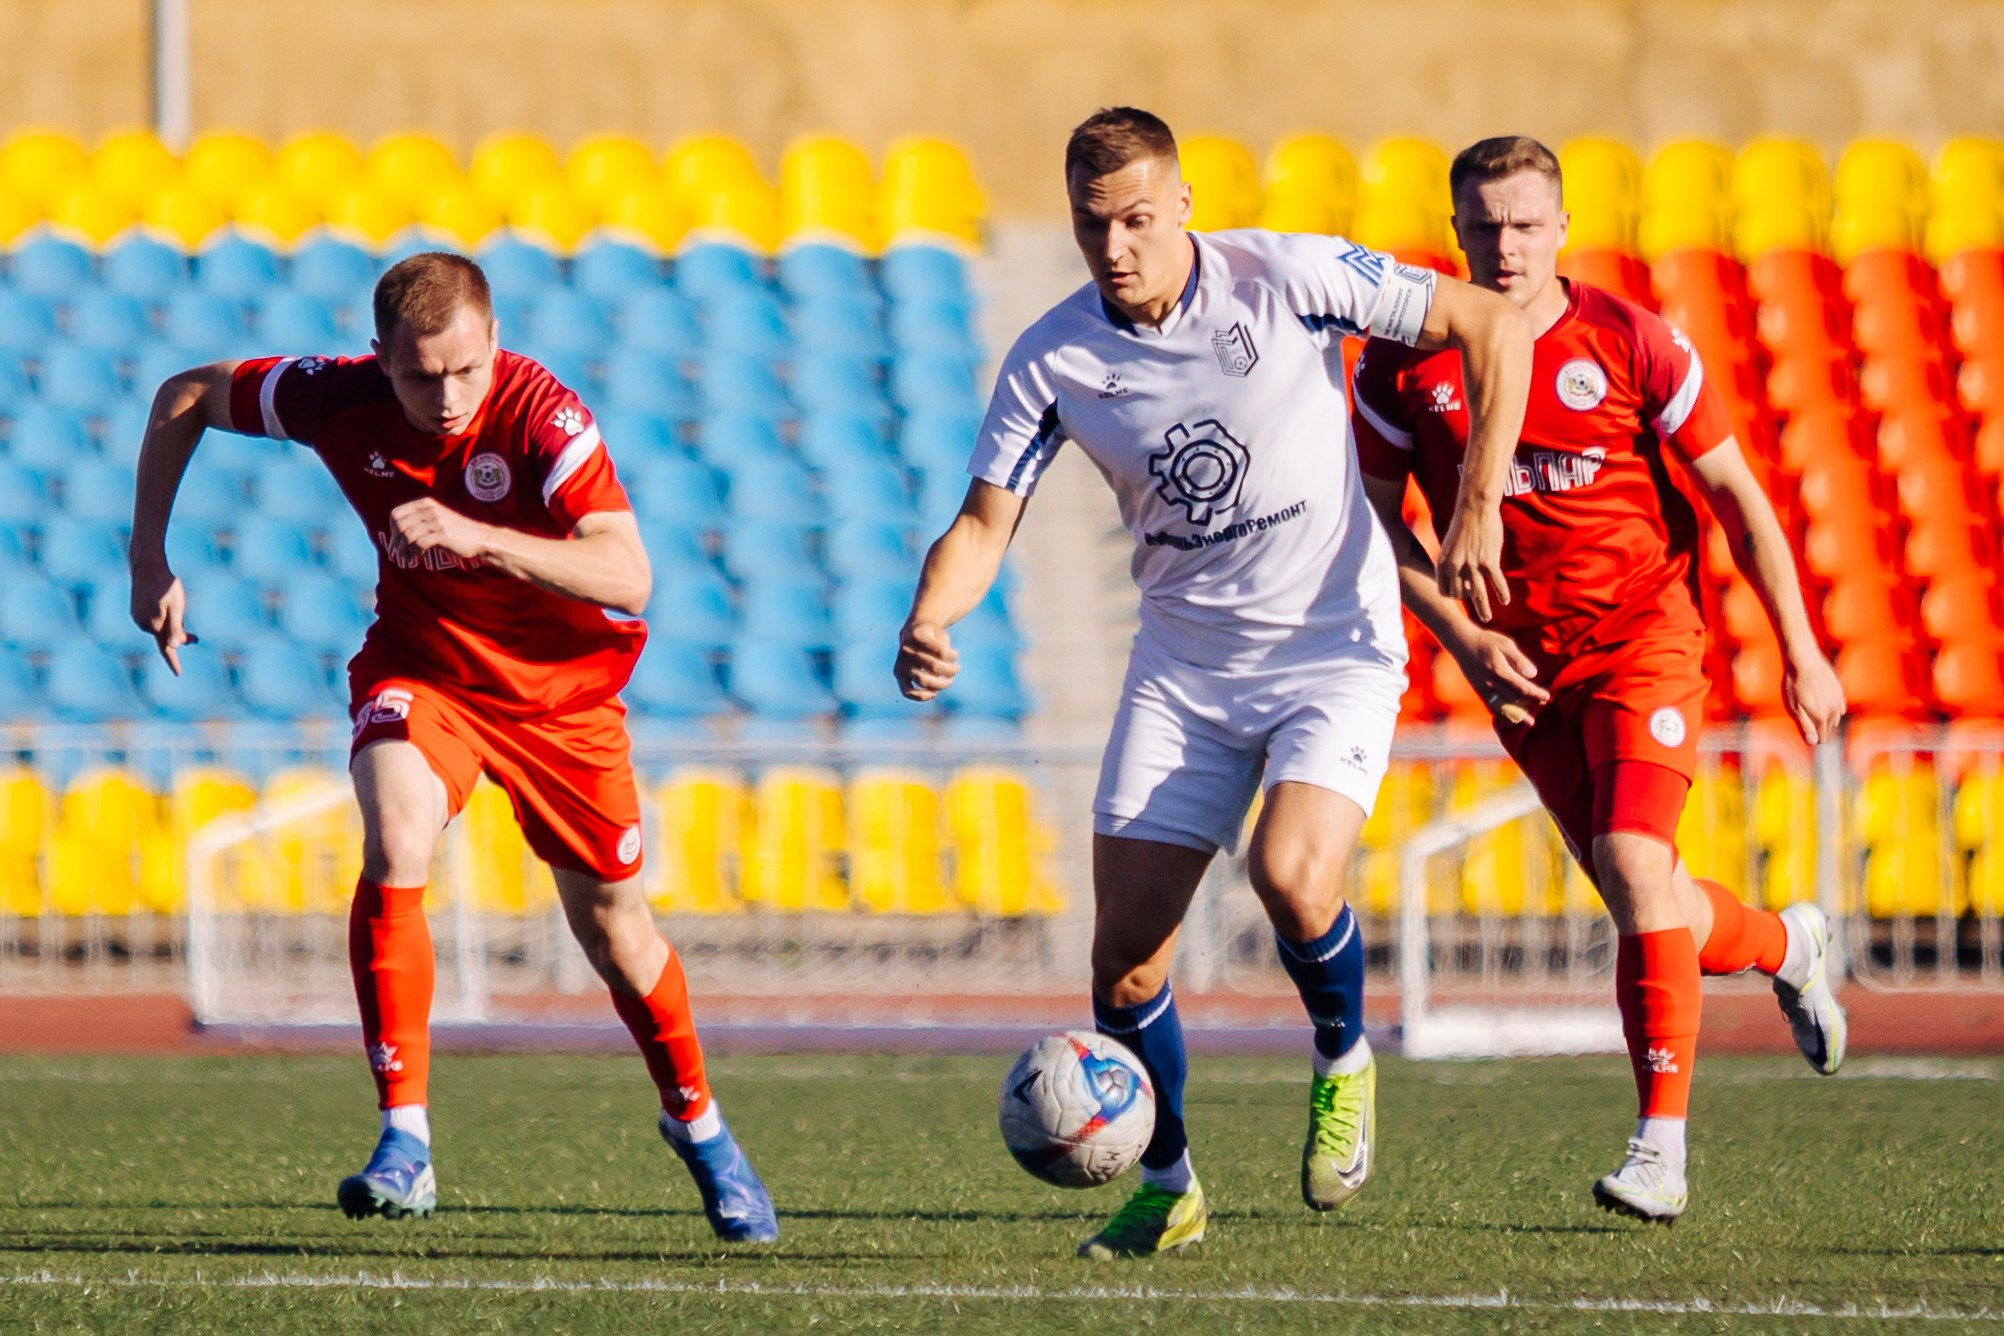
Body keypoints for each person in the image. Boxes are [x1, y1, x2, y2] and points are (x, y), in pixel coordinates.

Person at [896, 106, 1533, 1258]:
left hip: (1330, 647)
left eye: (1139, 218)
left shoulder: (1284, 275)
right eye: (1095, 227)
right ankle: (1171, 1182)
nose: (1117, 248)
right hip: (1184, 670)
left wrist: (1479, 497)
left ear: (1184, 203)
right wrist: (931, 616)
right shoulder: (1051, 357)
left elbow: (1491, 326)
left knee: (1289, 875)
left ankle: (1342, 1054)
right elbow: (986, 521)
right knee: (1124, 961)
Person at [128, 251, 778, 1242]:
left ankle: (701, 1125)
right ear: (380, 359)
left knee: (616, 936)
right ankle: (406, 1140)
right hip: (425, 671)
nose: (446, 397)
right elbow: (185, 392)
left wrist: (481, 537)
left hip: (565, 704)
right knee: (394, 838)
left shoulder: (543, 415)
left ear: (495, 343)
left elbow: (629, 573)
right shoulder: (336, 398)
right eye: (420, 375)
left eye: (466, 369)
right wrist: (149, 557)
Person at [1350, 135, 1850, 1226]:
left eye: (1527, 223)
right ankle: (1788, 942)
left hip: (1643, 637)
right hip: (1523, 669)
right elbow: (1379, 525)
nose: (1506, 245)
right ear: (1454, 230)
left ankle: (1659, 1148)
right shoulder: (1401, 361)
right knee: (1650, 893)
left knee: (1631, 861)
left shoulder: (1629, 341)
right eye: (1483, 225)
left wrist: (1803, 647)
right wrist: (1467, 640)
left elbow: (1737, 497)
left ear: (1565, 226)